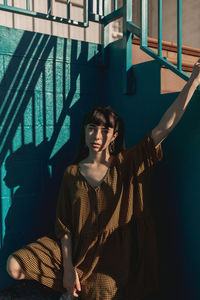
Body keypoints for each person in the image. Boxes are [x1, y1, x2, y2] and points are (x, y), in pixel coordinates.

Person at [6, 60, 200, 300]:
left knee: (102, 290)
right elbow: (64, 228)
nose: (96, 135)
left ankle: (71, 294)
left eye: (104, 130)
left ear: (114, 136)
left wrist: (193, 82)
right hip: (74, 248)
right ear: (85, 131)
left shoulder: (128, 162)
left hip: (112, 254)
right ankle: (69, 289)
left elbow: (165, 126)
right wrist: (68, 270)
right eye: (91, 128)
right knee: (14, 265)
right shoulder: (72, 173)